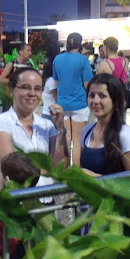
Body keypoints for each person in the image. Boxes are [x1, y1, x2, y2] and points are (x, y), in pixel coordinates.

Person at [0, 68, 68, 202]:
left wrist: (60, 129)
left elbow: (61, 167)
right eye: (25, 87)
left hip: (46, 201)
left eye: (37, 89)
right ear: (11, 91)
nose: (32, 93)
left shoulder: (46, 126)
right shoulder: (0, 124)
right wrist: (49, 169)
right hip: (16, 205)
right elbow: (16, 171)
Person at [80, 74, 130, 176]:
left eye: (102, 96)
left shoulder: (125, 136)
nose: (95, 101)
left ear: (115, 100)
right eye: (91, 95)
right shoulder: (86, 132)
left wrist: (95, 178)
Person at [53, 32, 93, 166]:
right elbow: (88, 85)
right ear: (79, 44)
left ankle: (64, 171)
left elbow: (57, 82)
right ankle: (76, 171)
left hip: (62, 103)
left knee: (65, 139)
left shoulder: (57, 59)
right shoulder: (83, 60)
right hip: (80, 103)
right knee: (77, 140)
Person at [0, 44, 33, 114]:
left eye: (30, 51)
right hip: (11, 100)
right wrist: (15, 82)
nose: (30, 53)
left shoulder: (30, 66)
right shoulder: (11, 64)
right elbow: (1, 79)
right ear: (21, 52)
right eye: (28, 51)